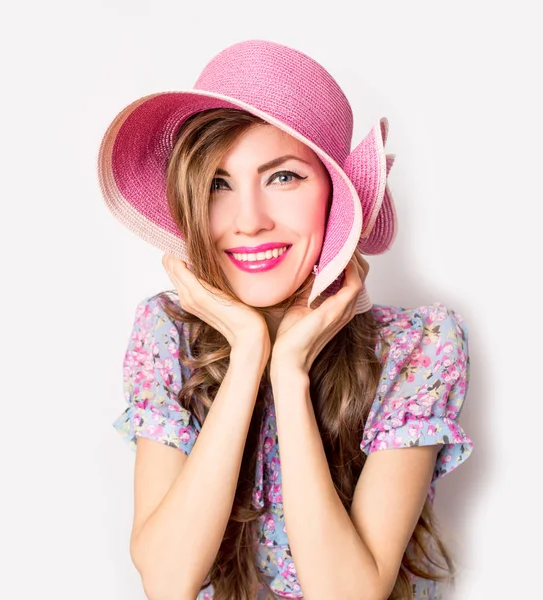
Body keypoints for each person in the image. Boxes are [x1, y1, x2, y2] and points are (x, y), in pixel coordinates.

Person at [97, 39, 473, 600]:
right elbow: (167, 581)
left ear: (334, 194)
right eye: (219, 184)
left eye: (283, 177)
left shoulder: (417, 346)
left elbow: (349, 594)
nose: (248, 221)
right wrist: (249, 350)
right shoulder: (167, 332)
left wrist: (290, 374)